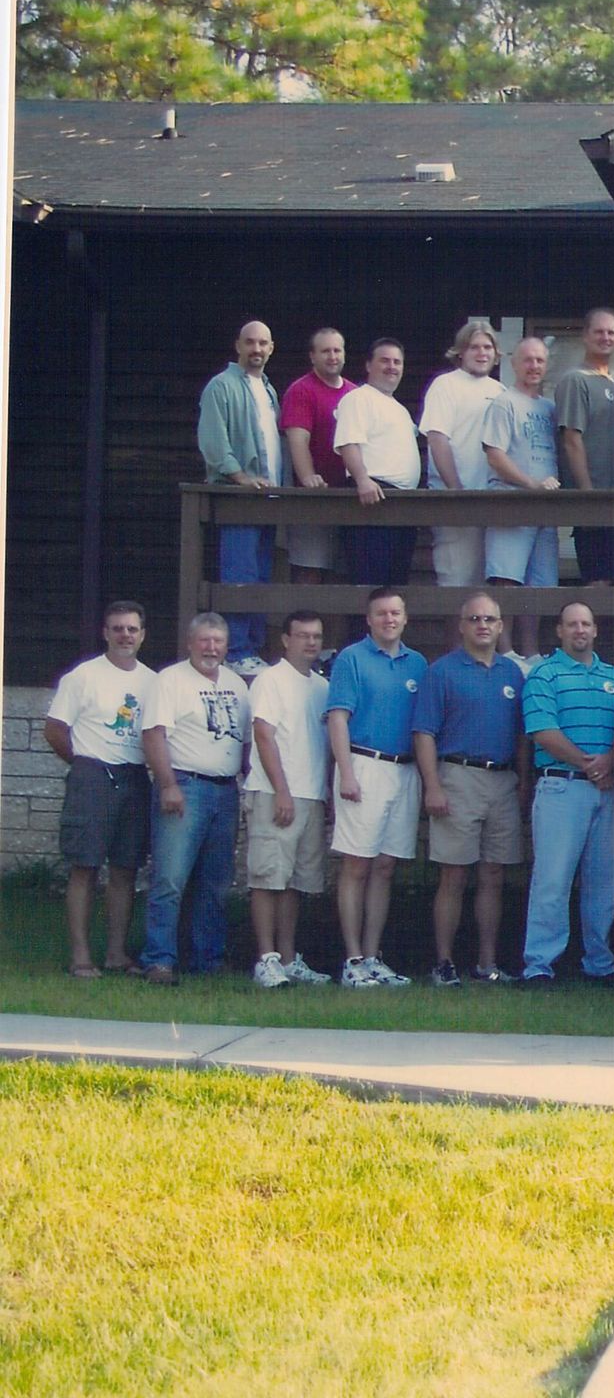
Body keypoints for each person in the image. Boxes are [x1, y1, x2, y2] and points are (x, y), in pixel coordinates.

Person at [413, 591, 528, 988]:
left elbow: (520, 737)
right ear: (462, 626)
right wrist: (433, 786)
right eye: (475, 619)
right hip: (457, 776)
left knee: (494, 874)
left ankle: (487, 962)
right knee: (454, 874)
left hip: (503, 780)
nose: (483, 625)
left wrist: (523, 784)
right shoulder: (441, 671)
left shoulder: (513, 675)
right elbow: (424, 732)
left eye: (490, 619)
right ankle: (444, 962)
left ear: (501, 626)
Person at [46, 600, 157, 978]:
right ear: (105, 633)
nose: (125, 635)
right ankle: (80, 957)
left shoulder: (152, 681)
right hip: (93, 775)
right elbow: (55, 729)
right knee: (85, 866)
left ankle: (115, 954)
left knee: (125, 869)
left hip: (134, 776)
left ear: (142, 634)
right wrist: (82, 765)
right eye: (118, 628)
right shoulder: (83, 676)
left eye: (132, 629)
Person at [521, 602, 614, 985]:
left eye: (586, 623)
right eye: (572, 624)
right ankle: (540, 965)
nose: (580, 630)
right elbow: (542, 731)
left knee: (605, 882)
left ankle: (599, 963)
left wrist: (610, 761)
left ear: (595, 630)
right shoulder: (543, 675)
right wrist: (590, 764)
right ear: (560, 631)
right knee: (553, 879)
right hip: (561, 787)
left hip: (608, 791)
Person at [139, 613, 251, 983]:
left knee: (216, 882)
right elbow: (154, 735)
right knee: (170, 879)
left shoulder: (237, 684)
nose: (211, 648)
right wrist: (167, 783)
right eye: (204, 640)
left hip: (225, 790)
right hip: (185, 786)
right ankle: (159, 960)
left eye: (218, 641)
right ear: (190, 643)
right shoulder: (169, 680)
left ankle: (208, 960)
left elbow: (246, 740)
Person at [326, 587, 428, 988]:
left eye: (396, 613)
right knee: (356, 864)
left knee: (385, 867)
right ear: (369, 620)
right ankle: (351, 960)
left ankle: (373, 956)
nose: (389, 619)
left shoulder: (417, 664)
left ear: (405, 618)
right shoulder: (352, 658)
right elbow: (337, 719)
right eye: (381, 613)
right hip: (364, 765)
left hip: (405, 771)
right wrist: (346, 772)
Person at [242, 610, 335, 989]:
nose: (310, 642)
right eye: (302, 636)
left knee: (296, 882)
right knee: (268, 877)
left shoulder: (322, 687)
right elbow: (263, 735)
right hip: (274, 792)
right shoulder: (270, 679)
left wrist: (324, 793)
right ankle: (265, 960)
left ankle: (287, 957)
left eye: (316, 636)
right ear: (285, 639)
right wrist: (281, 790)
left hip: (311, 794)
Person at [196, 319, 280, 673]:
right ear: (238, 346)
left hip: (269, 499)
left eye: (263, 343)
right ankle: (236, 651)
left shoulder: (269, 390)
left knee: (260, 575)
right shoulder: (221, 386)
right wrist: (240, 477)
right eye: (250, 342)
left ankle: (252, 650)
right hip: (239, 498)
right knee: (240, 574)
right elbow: (214, 442)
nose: (256, 349)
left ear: (271, 348)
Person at [482, 336, 559, 660]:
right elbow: (495, 455)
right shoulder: (504, 402)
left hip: (545, 506)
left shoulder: (549, 407)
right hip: (512, 500)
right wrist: (530, 484)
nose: (534, 366)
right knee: (507, 580)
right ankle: (506, 651)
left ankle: (531, 653)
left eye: (540, 360)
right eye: (528, 360)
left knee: (539, 585)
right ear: (514, 364)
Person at [419, 320, 503, 589]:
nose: (482, 353)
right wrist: (456, 491)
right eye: (474, 347)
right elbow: (437, 438)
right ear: (460, 352)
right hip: (455, 503)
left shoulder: (499, 391)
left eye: (487, 347)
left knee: (484, 589)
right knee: (456, 586)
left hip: (490, 504)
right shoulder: (446, 385)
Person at [334, 338, 421, 588]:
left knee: (394, 585)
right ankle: (364, 630)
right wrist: (362, 479)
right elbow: (348, 442)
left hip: (401, 503)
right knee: (370, 584)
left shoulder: (399, 409)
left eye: (397, 362)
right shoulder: (358, 398)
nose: (392, 366)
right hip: (373, 500)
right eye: (385, 360)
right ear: (368, 365)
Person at [552, 306, 614, 587]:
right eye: (599, 331)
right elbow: (572, 439)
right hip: (592, 499)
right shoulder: (575, 380)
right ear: (585, 336)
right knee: (597, 580)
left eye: (612, 332)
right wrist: (587, 494)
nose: (605, 337)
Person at [279, 327, 357, 601]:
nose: (332, 356)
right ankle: (304, 640)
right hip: (315, 498)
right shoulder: (301, 390)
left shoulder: (354, 393)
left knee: (341, 579)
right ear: (313, 356)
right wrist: (308, 477)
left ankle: (333, 646)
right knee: (310, 572)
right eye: (325, 351)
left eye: (337, 350)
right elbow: (297, 439)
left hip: (349, 498)